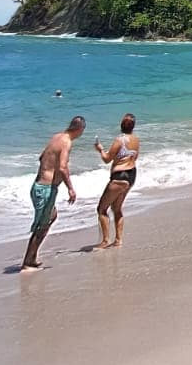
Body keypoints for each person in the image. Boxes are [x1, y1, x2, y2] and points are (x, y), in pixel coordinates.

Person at [21, 115, 85, 271]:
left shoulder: (56, 137)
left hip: (39, 186)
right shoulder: (67, 142)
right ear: (80, 129)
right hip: (46, 189)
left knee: (51, 216)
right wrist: (70, 188)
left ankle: (31, 258)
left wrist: (47, 170)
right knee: (42, 225)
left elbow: (41, 157)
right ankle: (28, 262)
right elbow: (63, 167)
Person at [93, 113, 140, 249]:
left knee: (102, 209)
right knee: (117, 208)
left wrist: (100, 150)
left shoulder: (120, 140)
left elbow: (107, 159)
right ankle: (118, 239)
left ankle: (105, 240)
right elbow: (135, 157)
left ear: (121, 126)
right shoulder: (136, 140)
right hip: (131, 175)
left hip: (119, 176)